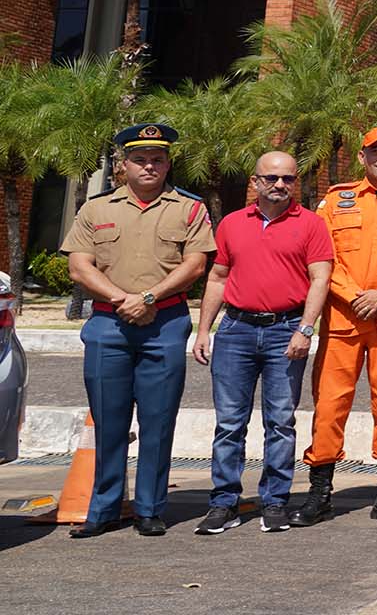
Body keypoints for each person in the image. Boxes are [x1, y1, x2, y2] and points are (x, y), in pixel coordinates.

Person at [62, 123, 215, 538]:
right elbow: (79, 266)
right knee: (109, 423)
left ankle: (149, 507)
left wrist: (146, 299)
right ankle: (104, 509)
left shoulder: (189, 208)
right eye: (140, 159)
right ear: (123, 164)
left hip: (163, 323)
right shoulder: (96, 209)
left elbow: (195, 265)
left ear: (168, 164)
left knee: (157, 421)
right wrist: (122, 299)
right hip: (108, 325)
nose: (149, 166)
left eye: (158, 159)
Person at [192, 150, 333, 535]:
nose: (279, 185)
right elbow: (218, 278)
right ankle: (223, 503)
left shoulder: (311, 225)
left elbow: (320, 279)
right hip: (235, 331)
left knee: (281, 422)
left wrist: (305, 329)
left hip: (284, 331)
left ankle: (275, 501)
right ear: (255, 182)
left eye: (287, 179)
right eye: (270, 178)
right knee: (229, 423)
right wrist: (204, 330)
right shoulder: (233, 224)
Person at [293, 126, 377, 527]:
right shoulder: (336, 200)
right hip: (343, 317)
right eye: (375, 151)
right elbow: (321, 256)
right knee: (330, 406)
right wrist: (351, 294)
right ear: (362, 157)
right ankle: (320, 489)